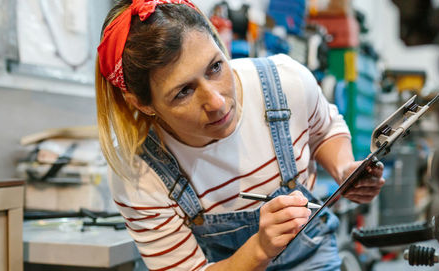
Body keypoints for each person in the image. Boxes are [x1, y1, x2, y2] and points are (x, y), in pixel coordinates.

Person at [95, 1, 385, 270]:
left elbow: (325, 129)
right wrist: (260, 248)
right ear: (142, 104)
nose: (217, 102)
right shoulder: (137, 173)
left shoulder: (285, 82)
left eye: (215, 67)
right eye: (184, 92)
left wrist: (344, 168)